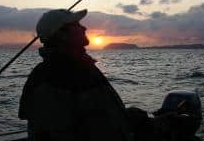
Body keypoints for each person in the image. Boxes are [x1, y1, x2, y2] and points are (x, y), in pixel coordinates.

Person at [19, 9, 133, 141]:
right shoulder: (57, 75)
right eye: (76, 24)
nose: (84, 27)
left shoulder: (79, 66)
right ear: (62, 34)